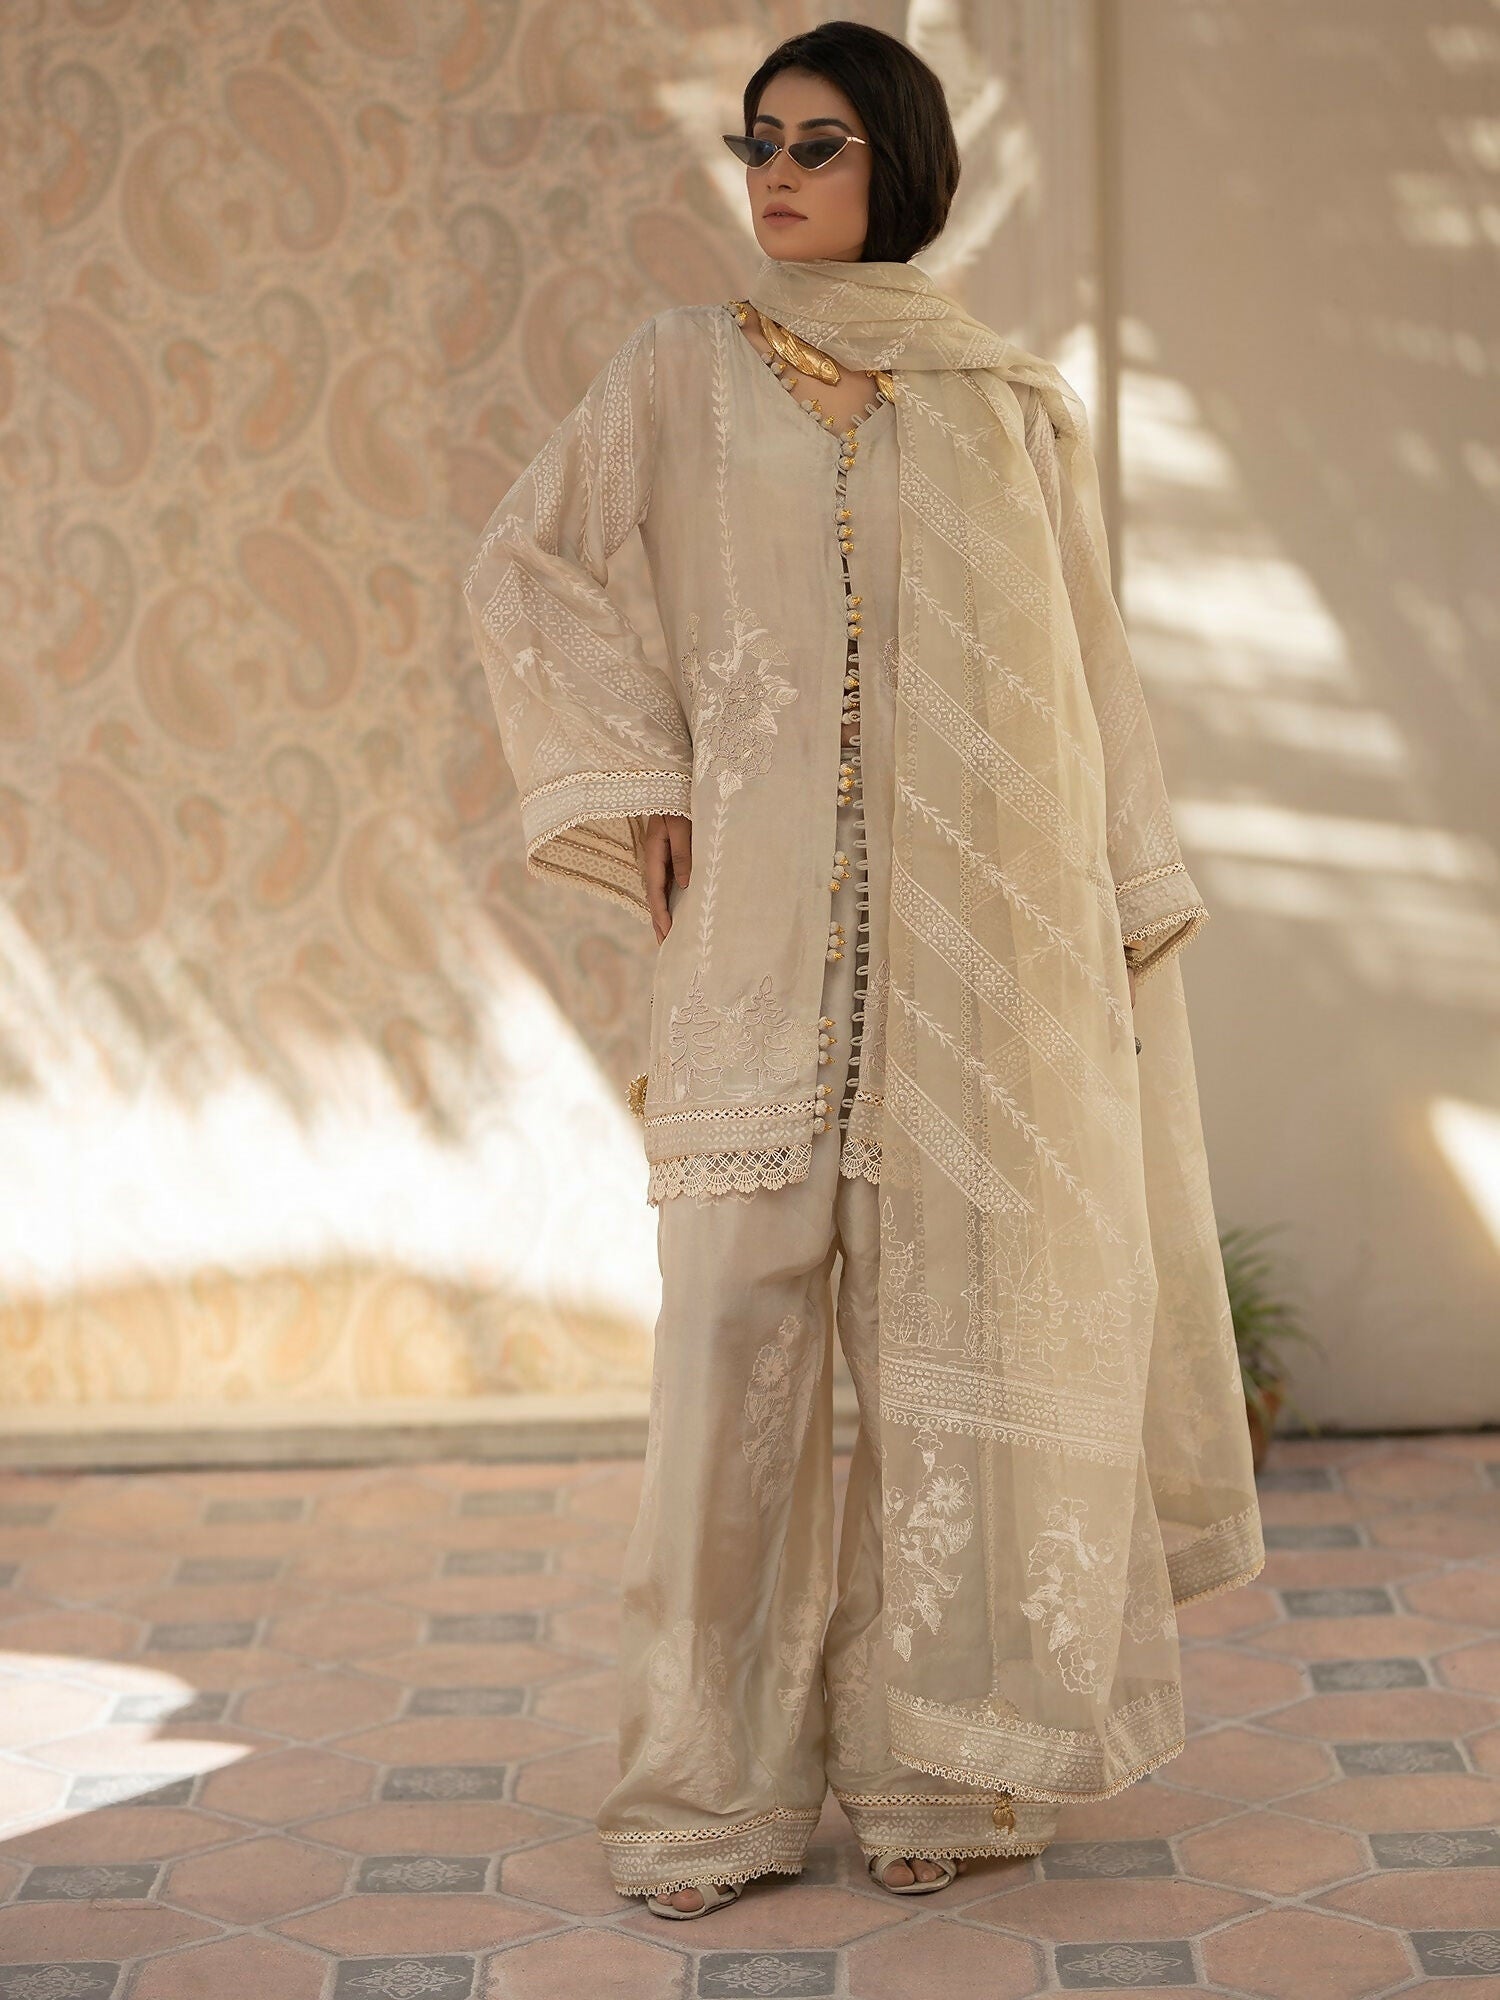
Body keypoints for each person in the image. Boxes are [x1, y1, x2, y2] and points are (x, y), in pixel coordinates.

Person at [464, 20, 1263, 1923]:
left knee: (950, 1366)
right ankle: (704, 1789)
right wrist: (638, 777)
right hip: (756, 960)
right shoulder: (677, 369)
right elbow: (525, 562)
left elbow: (1087, 676)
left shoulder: (1006, 405)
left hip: (980, 974)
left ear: (898, 160)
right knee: (729, 1362)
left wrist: (1115, 905)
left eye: (817, 143)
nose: (777, 174)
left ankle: (939, 1769)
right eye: (758, 143)